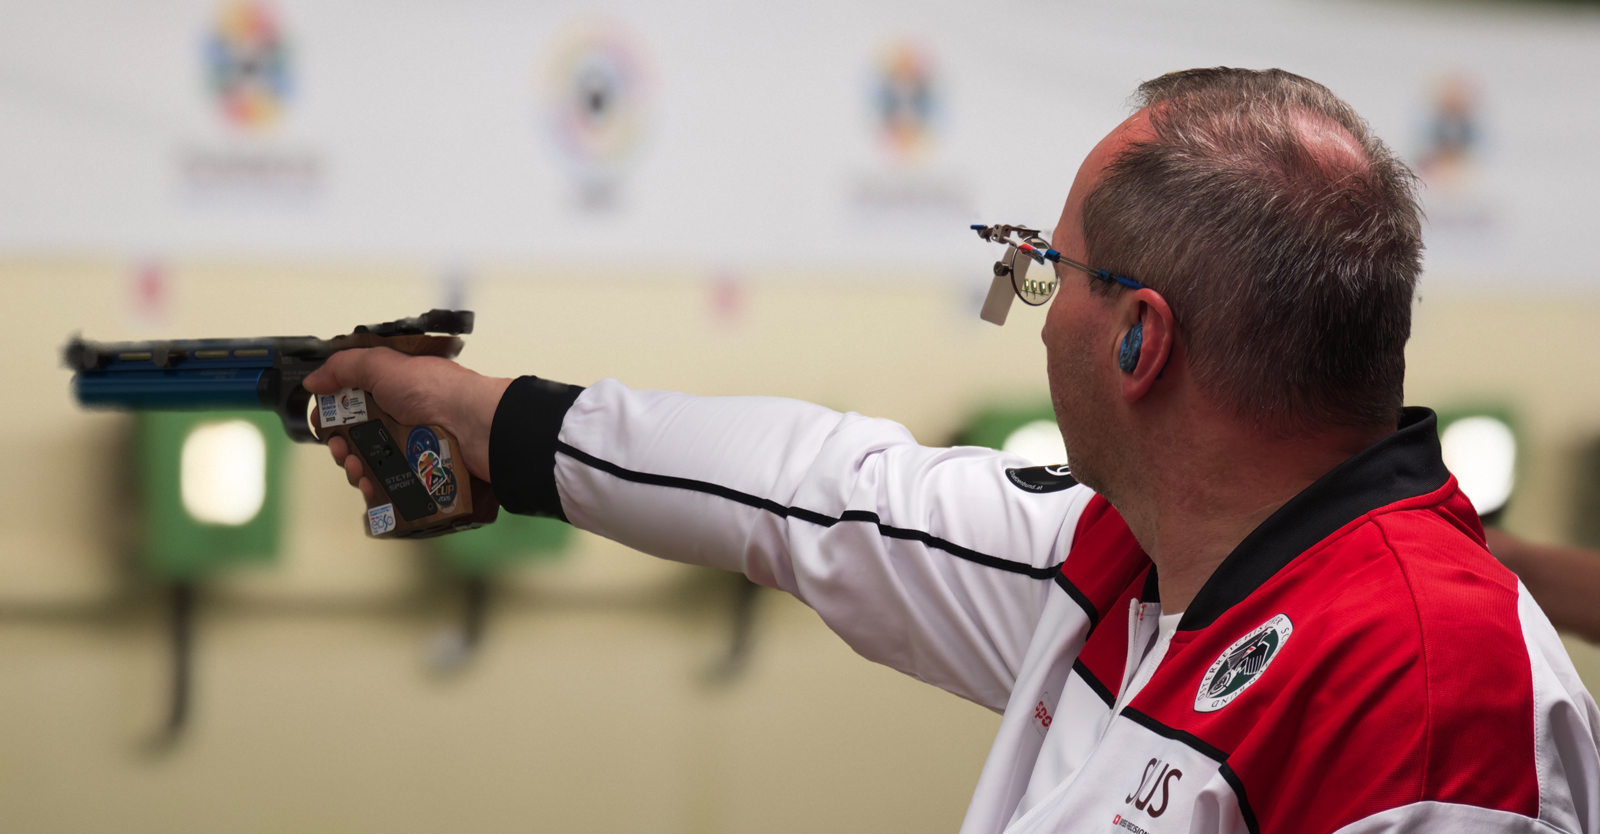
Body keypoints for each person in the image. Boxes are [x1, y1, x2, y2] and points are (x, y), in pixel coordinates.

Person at [304, 68, 1600, 833]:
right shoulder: (1128, 555)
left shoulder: (1435, 686)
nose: (1032, 314)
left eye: (1047, 272)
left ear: (1142, 341)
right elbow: (814, 491)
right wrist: (473, 410)